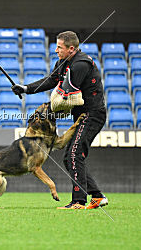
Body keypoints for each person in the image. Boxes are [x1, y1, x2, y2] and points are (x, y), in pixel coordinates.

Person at [11, 31, 108, 209]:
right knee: (69, 157)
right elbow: (51, 80)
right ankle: (97, 196)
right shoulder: (64, 62)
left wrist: (48, 111)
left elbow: (65, 95)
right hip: (82, 115)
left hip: (92, 115)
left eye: (59, 47)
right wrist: (25, 88)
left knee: (74, 154)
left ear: (71, 49)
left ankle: (79, 201)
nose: (56, 50)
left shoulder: (80, 64)